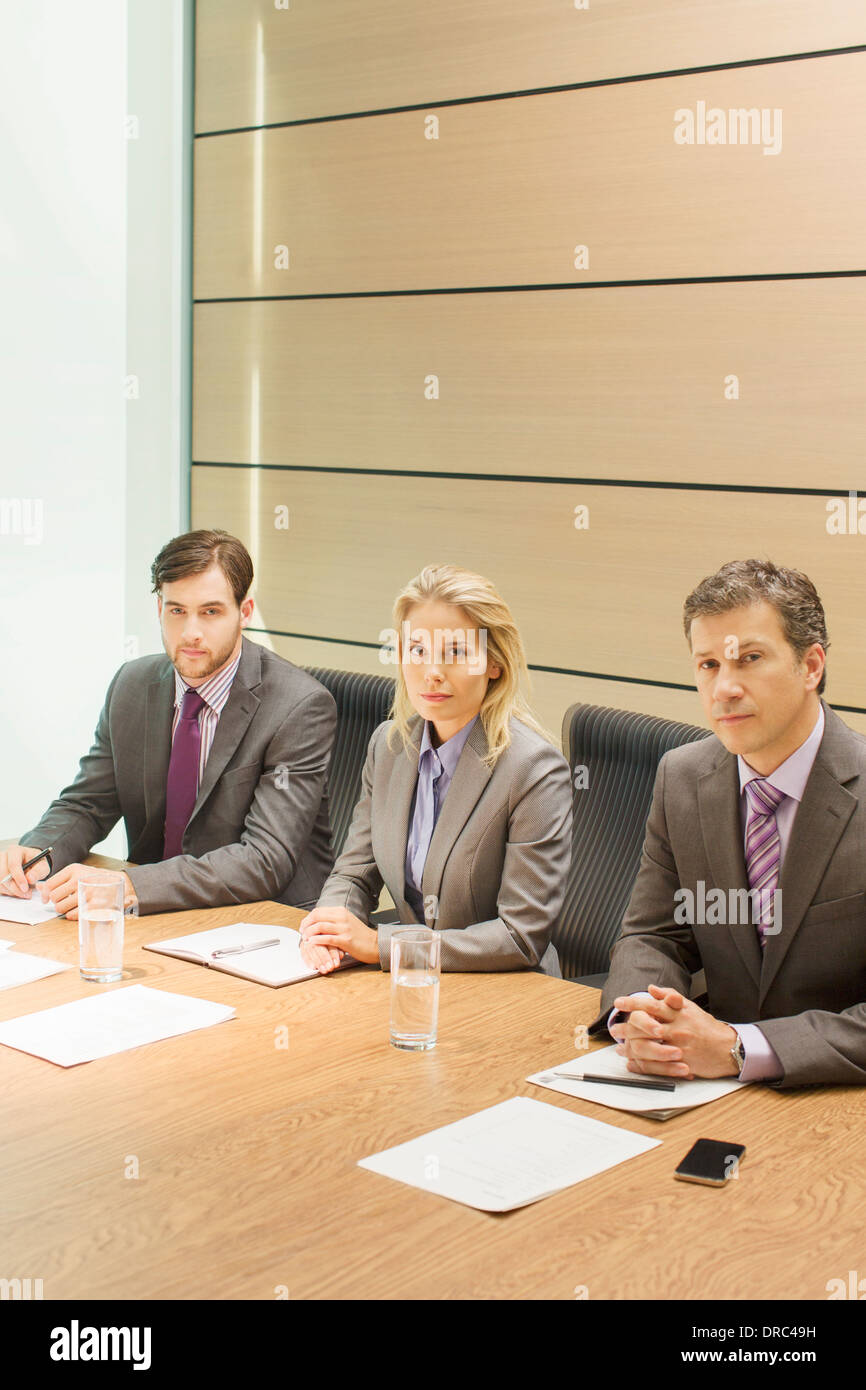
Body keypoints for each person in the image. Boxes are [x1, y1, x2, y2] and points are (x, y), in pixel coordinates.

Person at [590, 558, 866, 1088]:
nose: (724, 689)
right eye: (709, 664)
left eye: (750, 659)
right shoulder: (683, 776)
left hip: (837, 1105)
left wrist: (744, 1049)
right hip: (708, 1090)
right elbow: (654, 934)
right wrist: (643, 1017)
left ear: (811, 666)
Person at [0, 529, 336, 917]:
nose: (191, 633)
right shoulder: (132, 685)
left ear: (244, 612)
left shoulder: (298, 706)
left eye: (210, 612)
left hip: (270, 923)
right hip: (160, 916)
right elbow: (88, 804)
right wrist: (41, 851)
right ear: (159, 609)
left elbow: (265, 859)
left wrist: (130, 886)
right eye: (177, 610)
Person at [299, 563, 572, 974]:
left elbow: (520, 936)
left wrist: (383, 945)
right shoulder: (389, 745)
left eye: (457, 652)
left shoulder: (533, 770)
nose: (432, 672)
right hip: (413, 983)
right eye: (418, 649)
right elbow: (355, 874)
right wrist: (328, 928)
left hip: (505, 991)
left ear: (494, 663)